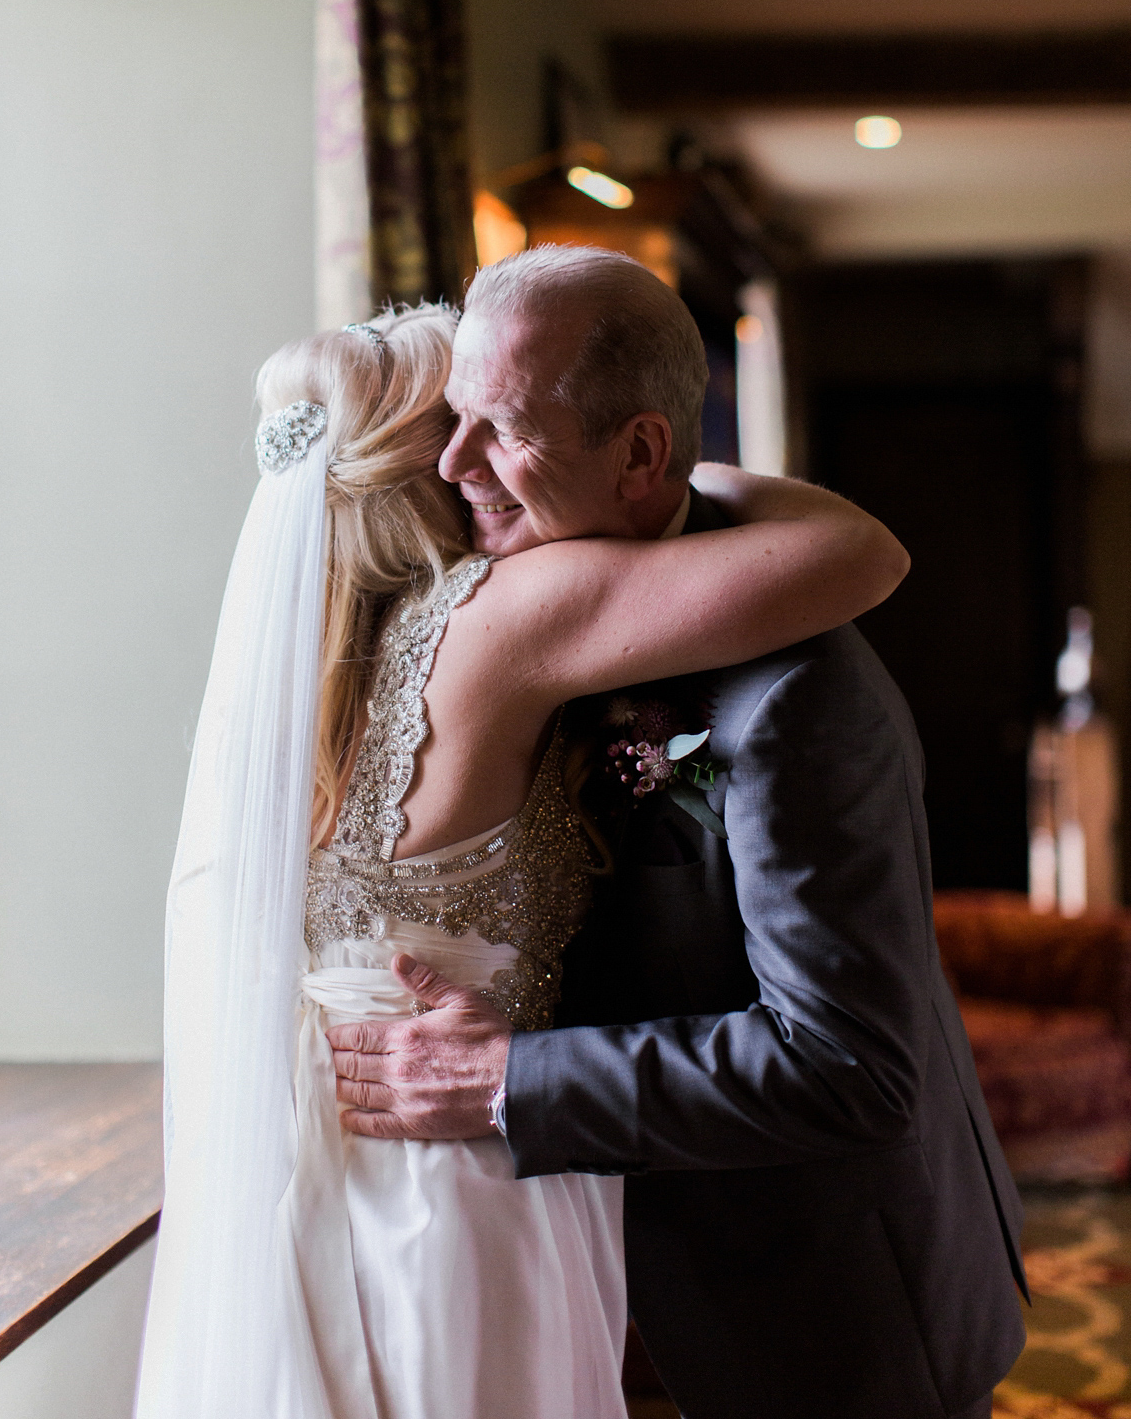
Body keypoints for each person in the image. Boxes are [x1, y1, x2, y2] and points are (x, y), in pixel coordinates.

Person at [135, 294, 909, 1419]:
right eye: (458, 421)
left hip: (305, 1176)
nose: (472, 452)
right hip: (451, 1181)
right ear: (426, 467)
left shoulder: (294, 668)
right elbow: (861, 550)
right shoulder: (498, 618)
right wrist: (681, 477)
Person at [327, 247, 1029, 1419]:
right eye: (453, 420)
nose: (455, 468)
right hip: (593, 1276)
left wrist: (507, 1080)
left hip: (812, 1310)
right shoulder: (513, 604)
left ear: (645, 453)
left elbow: (848, 1068)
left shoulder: (796, 701)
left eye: (499, 427)